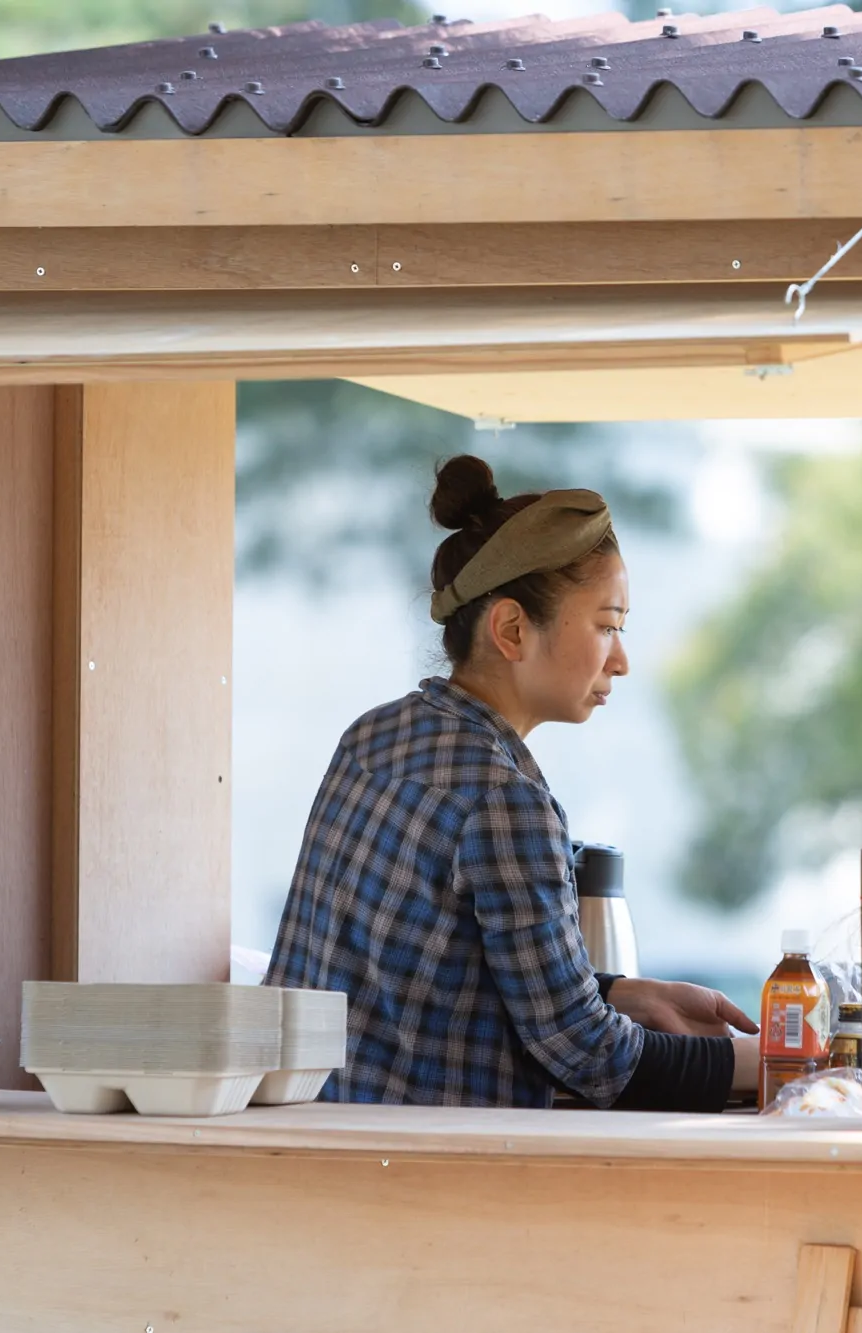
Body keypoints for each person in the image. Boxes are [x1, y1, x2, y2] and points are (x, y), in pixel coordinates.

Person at [265, 455, 759, 1110]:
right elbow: (588, 1054)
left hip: (306, 1134)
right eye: (607, 625)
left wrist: (619, 993)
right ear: (511, 628)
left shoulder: (372, 735)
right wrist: (776, 1062)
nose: (621, 659)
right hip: (421, 1161)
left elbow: (430, 979)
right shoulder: (505, 798)